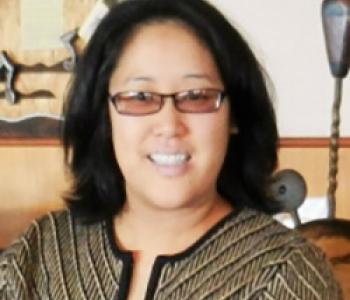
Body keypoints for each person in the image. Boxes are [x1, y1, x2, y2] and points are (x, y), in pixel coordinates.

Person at [0, 0, 342, 299]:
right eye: (140, 97)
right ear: (104, 116)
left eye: (196, 96)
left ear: (235, 115)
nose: (169, 124)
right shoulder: (40, 254)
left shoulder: (286, 274)